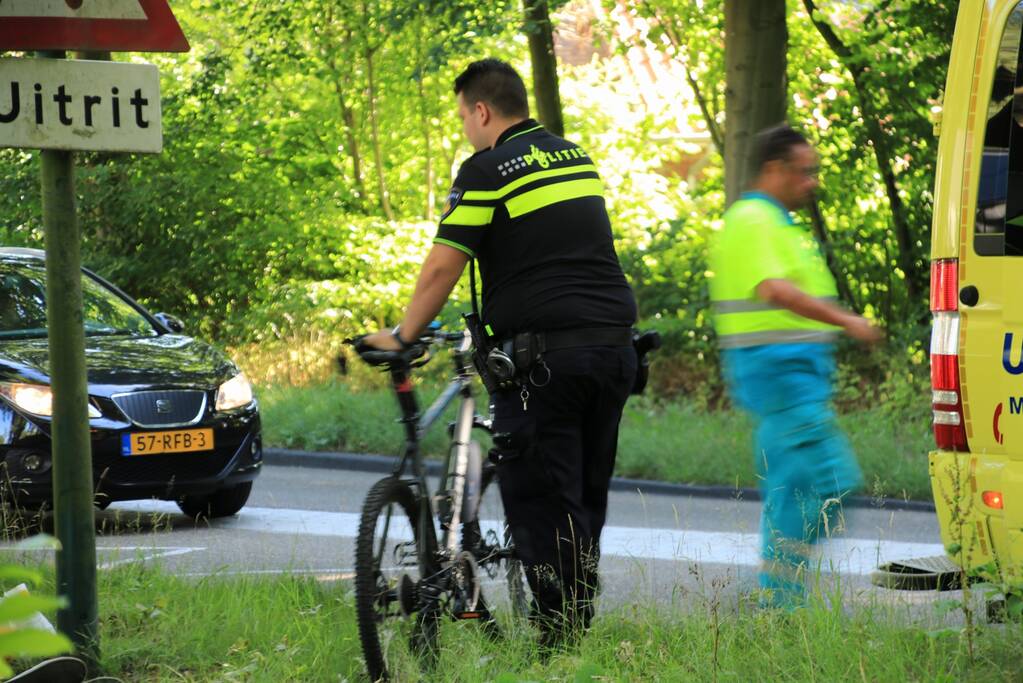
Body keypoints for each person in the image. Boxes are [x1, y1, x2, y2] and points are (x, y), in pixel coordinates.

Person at [361, 58, 637, 645]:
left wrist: (405, 335)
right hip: (614, 351)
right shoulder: (575, 158)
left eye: (464, 116)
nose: (465, 127)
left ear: (482, 110)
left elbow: (444, 264)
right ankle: (576, 626)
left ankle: (557, 643)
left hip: (544, 363)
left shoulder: (486, 169)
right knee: (585, 496)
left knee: (539, 498)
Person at [708, 124, 881, 608]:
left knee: (799, 487)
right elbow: (776, 290)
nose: (811, 182)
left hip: (795, 376)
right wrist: (846, 321)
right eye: (804, 172)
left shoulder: (775, 222)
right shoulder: (752, 219)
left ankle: (780, 600)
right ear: (774, 169)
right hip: (778, 375)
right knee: (828, 481)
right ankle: (779, 600)